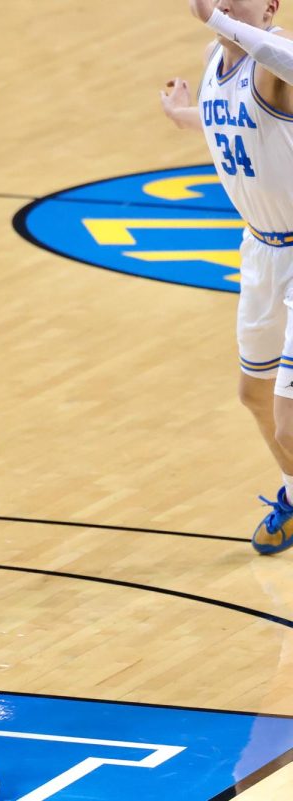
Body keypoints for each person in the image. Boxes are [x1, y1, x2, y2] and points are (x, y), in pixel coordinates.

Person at [163, 0, 293, 553]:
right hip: (261, 250)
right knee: (253, 396)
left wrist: (218, 21)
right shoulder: (217, 59)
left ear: (269, 7)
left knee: (290, 425)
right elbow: (226, 124)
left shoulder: (275, 62)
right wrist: (181, 116)